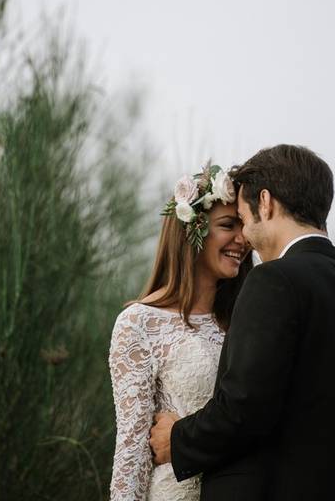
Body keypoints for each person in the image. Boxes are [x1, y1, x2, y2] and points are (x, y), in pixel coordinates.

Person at [148, 145, 335, 500]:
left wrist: (177, 439)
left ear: (266, 203)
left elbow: (244, 408)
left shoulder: (273, 282)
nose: (243, 235)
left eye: (242, 216)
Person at [108, 162, 252, 501]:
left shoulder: (246, 320)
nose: (242, 239)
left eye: (243, 226)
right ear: (193, 231)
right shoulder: (139, 323)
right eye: (228, 225)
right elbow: (131, 449)